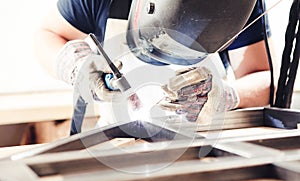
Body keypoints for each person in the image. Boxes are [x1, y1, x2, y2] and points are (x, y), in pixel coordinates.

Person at [34, 0, 276, 126]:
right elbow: (47, 35)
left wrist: (225, 95)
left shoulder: (235, 6)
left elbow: (264, 77)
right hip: (119, 143)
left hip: (202, 146)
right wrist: (78, 68)